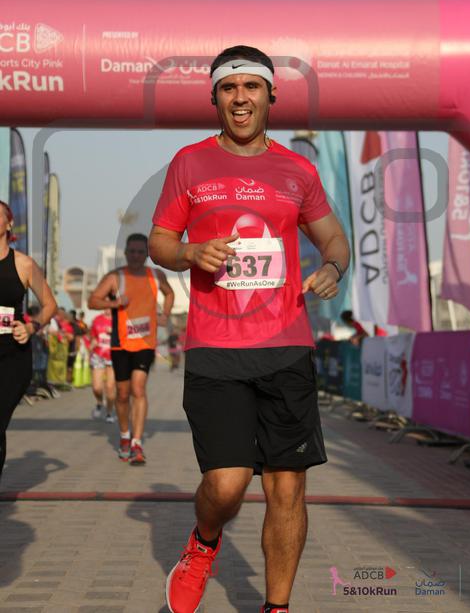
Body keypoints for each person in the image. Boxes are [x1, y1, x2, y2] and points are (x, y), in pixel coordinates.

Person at [149, 45, 350, 613]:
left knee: (287, 486)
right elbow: (161, 241)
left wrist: (332, 268)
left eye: (251, 86)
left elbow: (334, 239)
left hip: (286, 345)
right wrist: (190, 252)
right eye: (229, 87)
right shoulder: (189, 163)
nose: (240, 97)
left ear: (270, 95)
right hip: (215, 347)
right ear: (215, 98)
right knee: (227, 483)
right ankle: (203, 542)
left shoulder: (297, 170)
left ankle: (276, 607)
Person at [88, 233, 174, 465]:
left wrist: (165, 314)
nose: (136, 256)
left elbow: (170, 293)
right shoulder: (115, 277)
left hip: (145, 342)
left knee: (138, 388)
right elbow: (93, 301)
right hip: (121, 343)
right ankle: (125, 435)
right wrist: (114, 303)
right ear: (125, 253)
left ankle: (137, 442)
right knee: (122, 393)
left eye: (140, 252)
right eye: (132, 251)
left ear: (147, 254)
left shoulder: (155, 275)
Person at [0, 200, 57, 477]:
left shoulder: (22, 264)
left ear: (9, 223)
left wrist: (32, 327)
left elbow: (50, 305)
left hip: (12, 355)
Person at [89, 309, 116, 422]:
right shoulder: (97, 320)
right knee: (97, 387)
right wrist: (93, 343)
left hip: (114, 356)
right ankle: (100, 403)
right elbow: (93, 337)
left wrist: (114, 332)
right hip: (98, 355)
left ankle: (109, 413)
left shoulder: (120, 319)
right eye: (105, 304)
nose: (107, 308)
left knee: (110, 387)